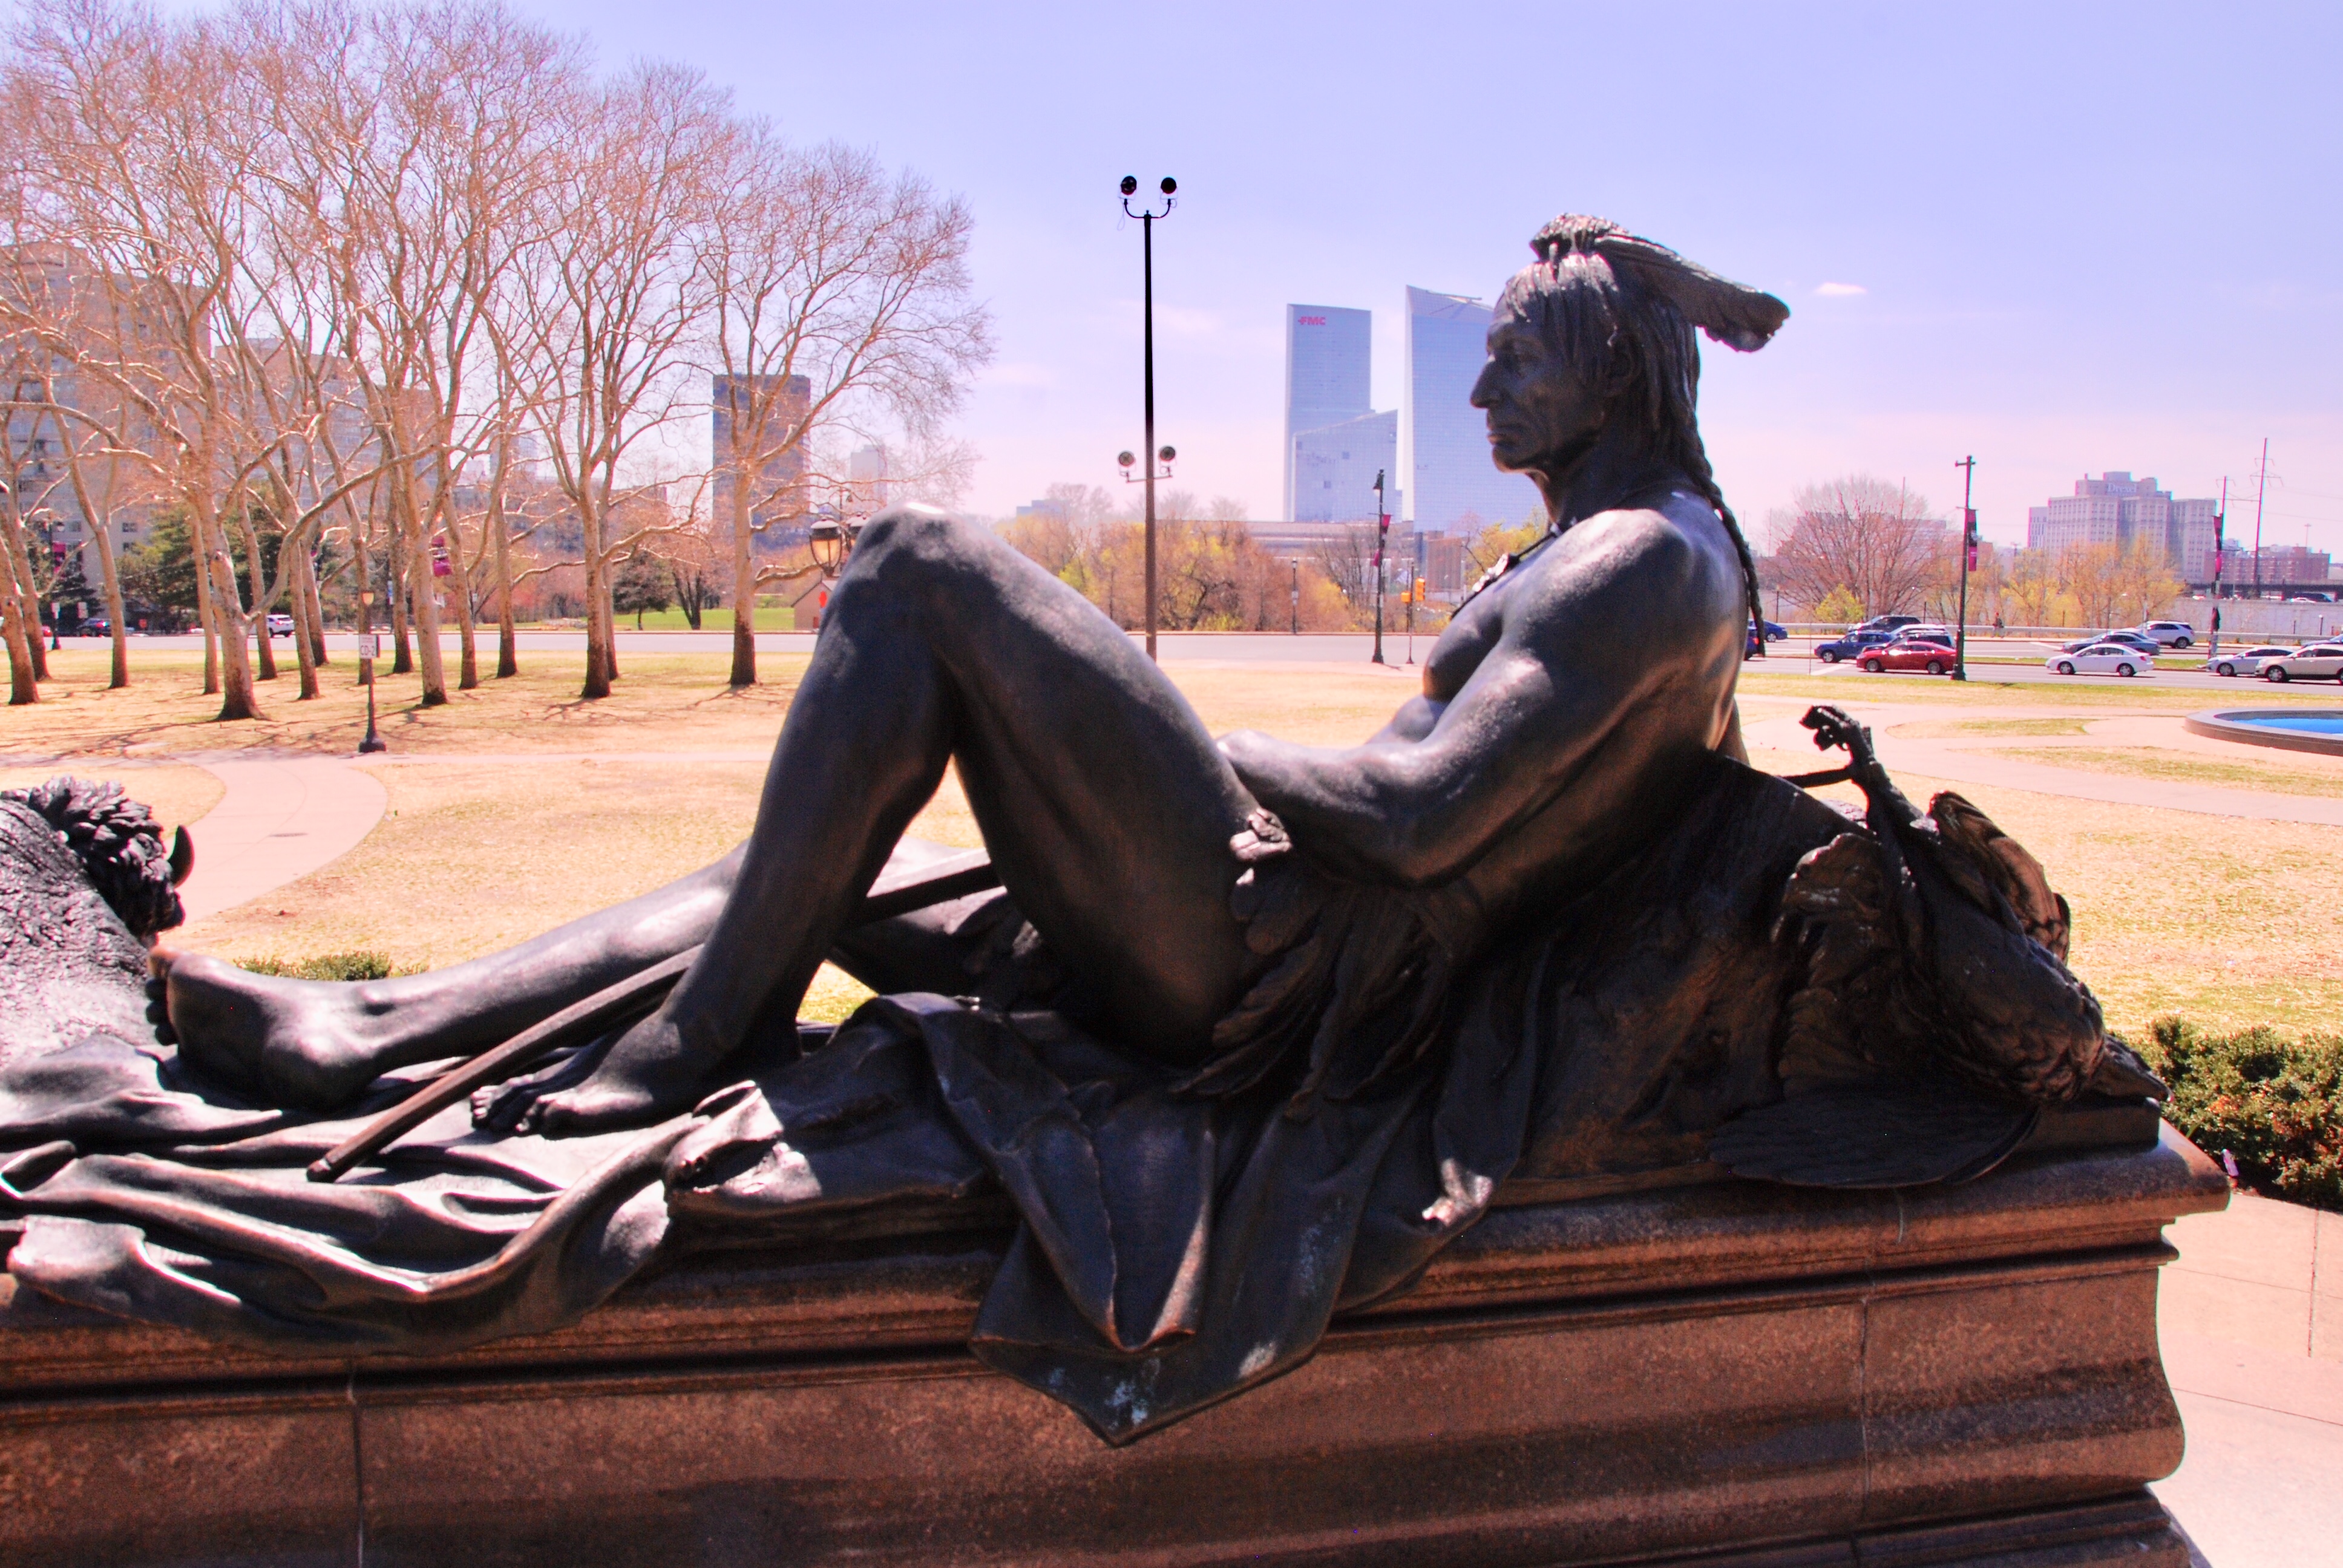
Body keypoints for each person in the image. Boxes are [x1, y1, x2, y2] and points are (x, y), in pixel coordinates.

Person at [162, 215, 1789, 1136]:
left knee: (916, 560)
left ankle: (698, 1040)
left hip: (1288, 981)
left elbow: (1425, 818)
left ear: (1609, 369)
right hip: (1286, 933)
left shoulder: (1641, 561)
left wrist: (1200, 752)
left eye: (1515, 358)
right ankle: (370, 1028)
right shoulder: (1641, 549)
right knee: (791, 871)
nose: (1486, 389)